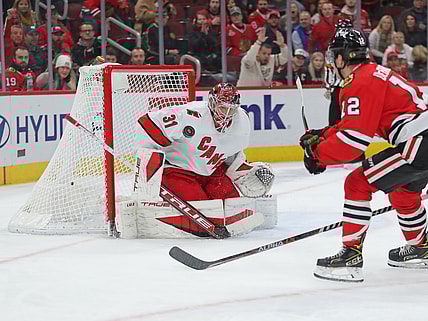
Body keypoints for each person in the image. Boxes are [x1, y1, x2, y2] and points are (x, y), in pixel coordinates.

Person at [299, 27, 428, 283]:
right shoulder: (373, 74)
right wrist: (323, 135)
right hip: (422, 141)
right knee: (404, 190)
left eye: (333, 56)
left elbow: (353, 143)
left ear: (340, 58)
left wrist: (317, 154)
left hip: (418, 145)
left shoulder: (358, 82)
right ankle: (420, 247)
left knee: (357, 183)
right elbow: (353, 127)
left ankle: (350, 256)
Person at [136, 82, 274, 236]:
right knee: (204, 211)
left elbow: (232, 155)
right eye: (223, 108)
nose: (227, 114)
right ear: (213, 103)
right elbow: (147, 122)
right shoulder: (190, 114)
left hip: (212, 171)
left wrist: (244, 170)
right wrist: (150, 162)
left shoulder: (242, 122)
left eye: (231, 109)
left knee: (232, 204)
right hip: (178, 170)